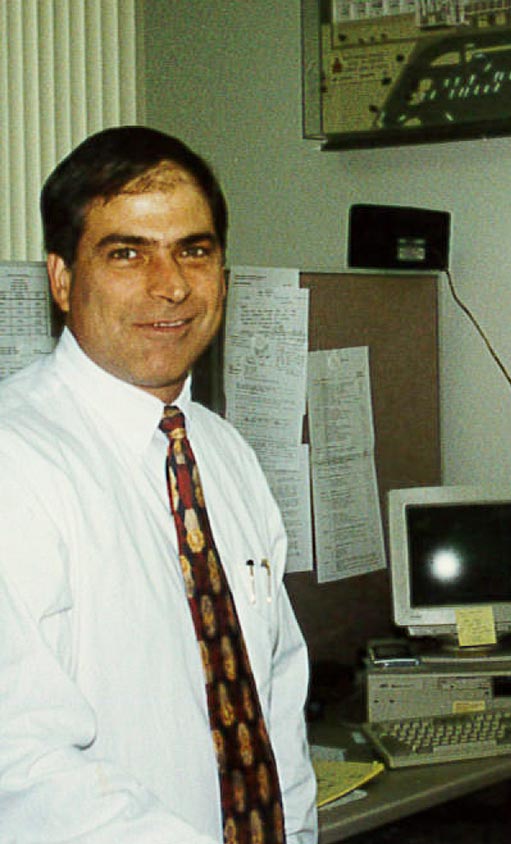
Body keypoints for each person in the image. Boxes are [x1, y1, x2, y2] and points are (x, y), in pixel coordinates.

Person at [0, 127, 317, 843]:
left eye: (194, 251)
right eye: (126, 253)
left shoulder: (226, 455)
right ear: (59, 278)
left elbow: (274, 705)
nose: (171, 285)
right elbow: (19, 765)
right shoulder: (14, 466)